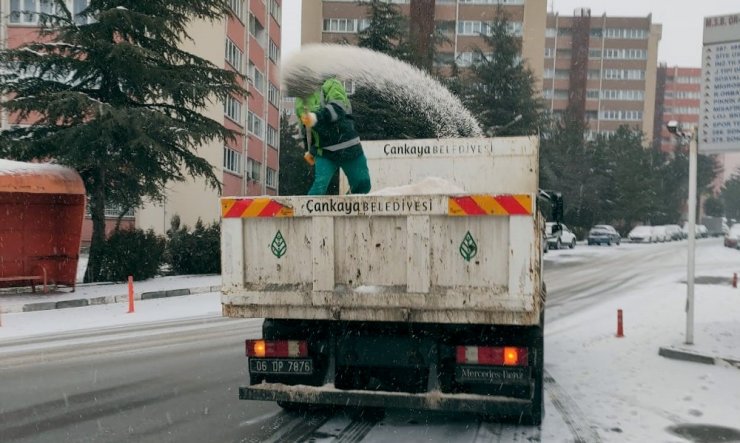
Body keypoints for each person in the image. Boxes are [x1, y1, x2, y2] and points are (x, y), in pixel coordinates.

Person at [295, 77, 371, 195]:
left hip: (349, 148)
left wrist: (316, 117)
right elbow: (306, 129)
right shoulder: (301, 100)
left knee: (363, 184)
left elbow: (337, 109)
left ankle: (348, 208)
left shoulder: (331, 84)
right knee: (318, 189)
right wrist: (308, 150)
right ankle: (309, 213)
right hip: (324, 153)